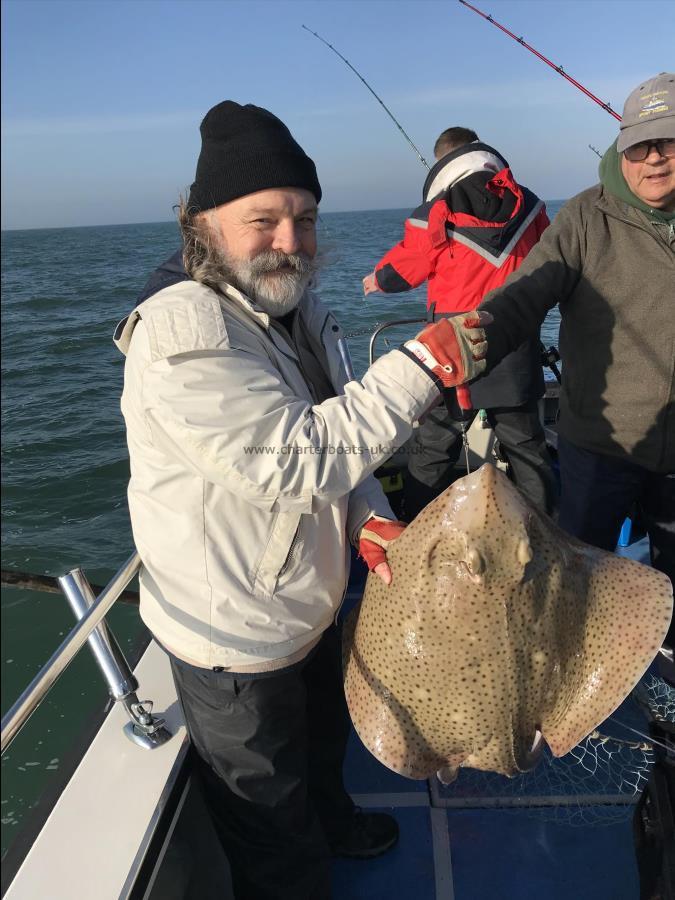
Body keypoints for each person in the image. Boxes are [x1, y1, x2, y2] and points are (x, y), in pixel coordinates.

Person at [114, 100, 488, 900]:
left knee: (321, 750)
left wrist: (367, 516)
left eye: (305, 219)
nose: (290, 242)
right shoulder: (183, 333)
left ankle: (336, 818)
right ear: (200, 221)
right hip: (235, 640)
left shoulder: (295, 309)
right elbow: (293, 460)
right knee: (269, 819)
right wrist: (424, 359)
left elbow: (330, 429)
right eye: (264, 220)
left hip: (306, 604)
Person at [478, 72, 675, 650]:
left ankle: (664, 690)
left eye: (670, 141)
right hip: (600, 443)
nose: (656, 158)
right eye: (642, 144)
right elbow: (526, 291)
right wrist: (475, 334)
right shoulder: (586, 219)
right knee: (575, 586)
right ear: (622, 148)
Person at [363, 127, 558, 520]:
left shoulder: (439, 207)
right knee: (525, 443)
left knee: (436, 443)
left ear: (443, 162)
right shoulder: (531, 205)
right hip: (514, 338)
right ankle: (545, 531)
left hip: (454, 344)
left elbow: (409, 264)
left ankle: (414, 525)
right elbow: (552, 260)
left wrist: (377, 279)